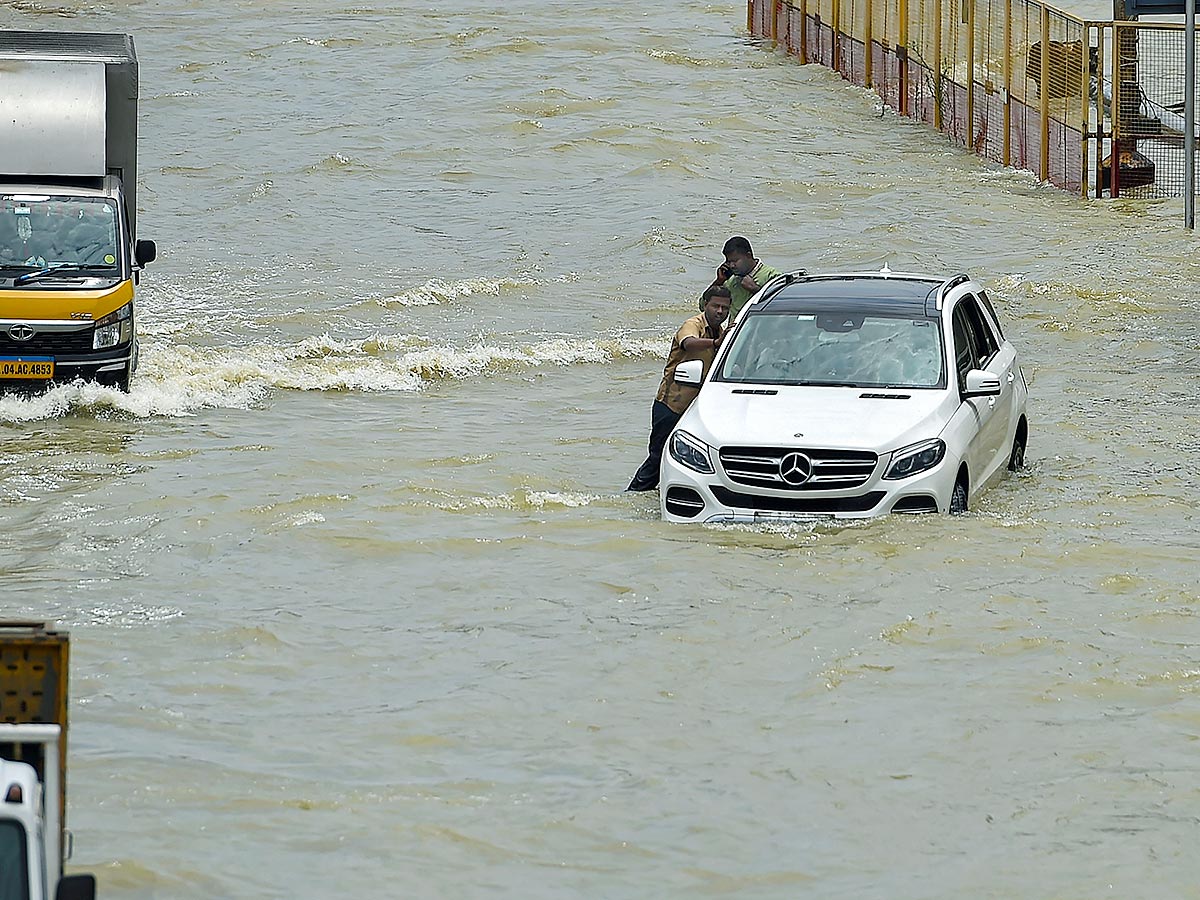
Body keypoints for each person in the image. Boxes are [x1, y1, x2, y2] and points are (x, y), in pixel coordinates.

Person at [627, 284, 732, 492]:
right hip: (671, 405)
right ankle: (633, 494)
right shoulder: (693, 324)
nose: (720, 312)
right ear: (705, 305)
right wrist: (715, 342)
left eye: (725, 308)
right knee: (658, 457)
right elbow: (688, 343)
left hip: (697, 409)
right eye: (715, 306)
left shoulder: (720, 332)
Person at [711, 236, 782, 320]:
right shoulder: (730, 281)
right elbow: (703, 305)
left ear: (748, 255)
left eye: (735, 261)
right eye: (729, 262)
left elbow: (783, 308)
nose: (731, 266)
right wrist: (719, 281)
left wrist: (756, 290)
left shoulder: (772, 276)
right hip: (738, 331)